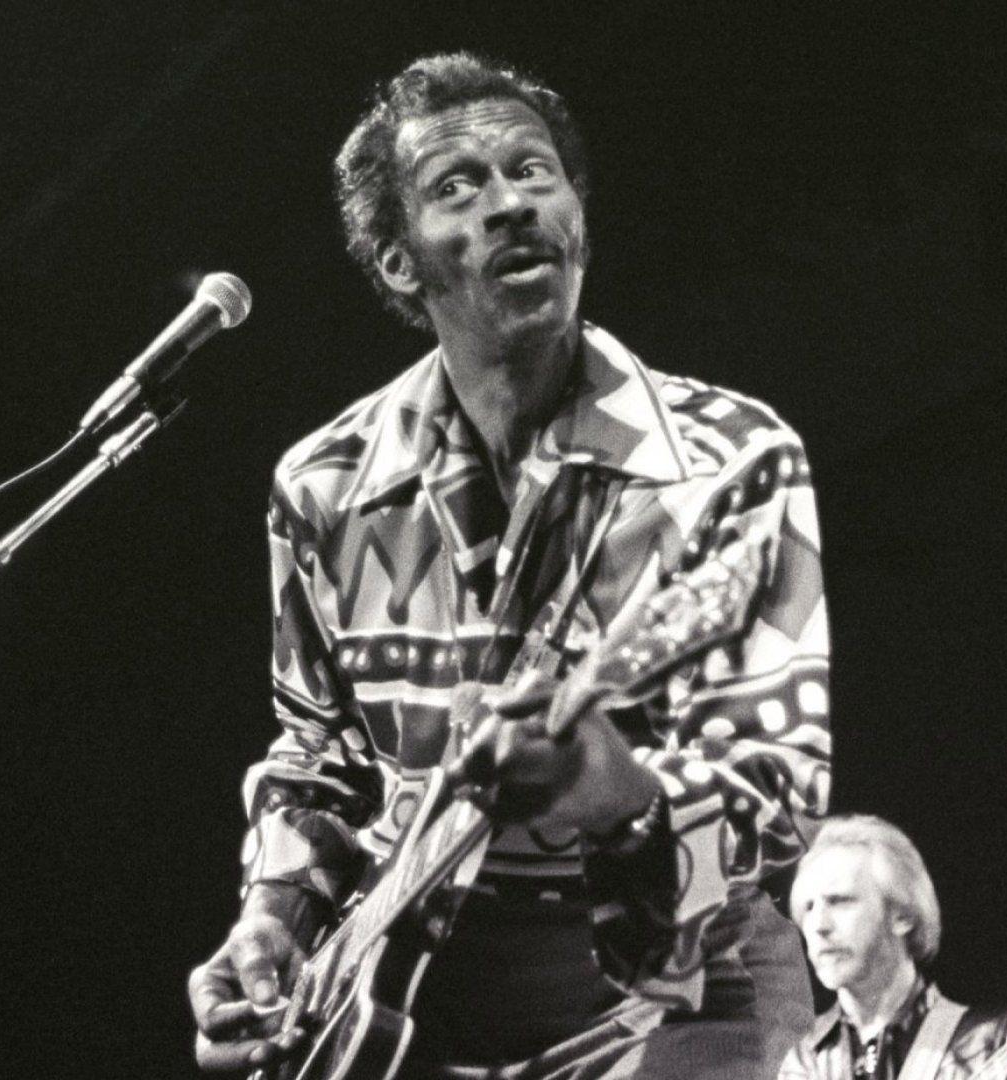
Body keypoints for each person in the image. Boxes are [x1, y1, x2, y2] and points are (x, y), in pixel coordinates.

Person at [187, 52, 832, 1079]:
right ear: (401, 263)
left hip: (681, 972)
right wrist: (274, 914)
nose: (511, 203)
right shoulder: (324, 484)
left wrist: (615, 794)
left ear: (578, 219)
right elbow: (319, 753)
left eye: (534, 172)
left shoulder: (729, 461)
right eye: (458, 186)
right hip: (414, 987)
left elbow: (780, 795)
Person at [781, 816, 1007, 1080]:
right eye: (808, 908)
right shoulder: (802, 1063)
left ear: (902, 915)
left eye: (839, 901)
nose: (818, 925)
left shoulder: (995, 1043)